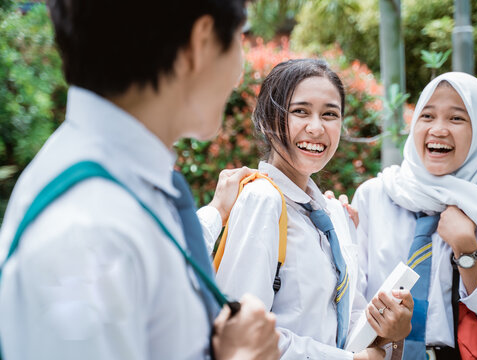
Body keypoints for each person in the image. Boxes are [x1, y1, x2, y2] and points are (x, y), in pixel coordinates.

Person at [0, 1, 280, 359]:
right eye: (241, 36)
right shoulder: (89, 235)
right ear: (201, 40)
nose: (240, 74)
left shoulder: (126, 190)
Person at [213, 59, 414, 360]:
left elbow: (345, 320)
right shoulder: (262, 199)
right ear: (269, 121)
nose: (317, 127)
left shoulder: (334, 215)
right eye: (300, 111)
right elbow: (242, 333)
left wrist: (388, 331)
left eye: (330, 114)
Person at [350, 72, 477, 359]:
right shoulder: (374, 196)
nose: (438, 129)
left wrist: (467, 250)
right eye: (427, 116)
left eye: (456, 118)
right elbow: (351, 302)